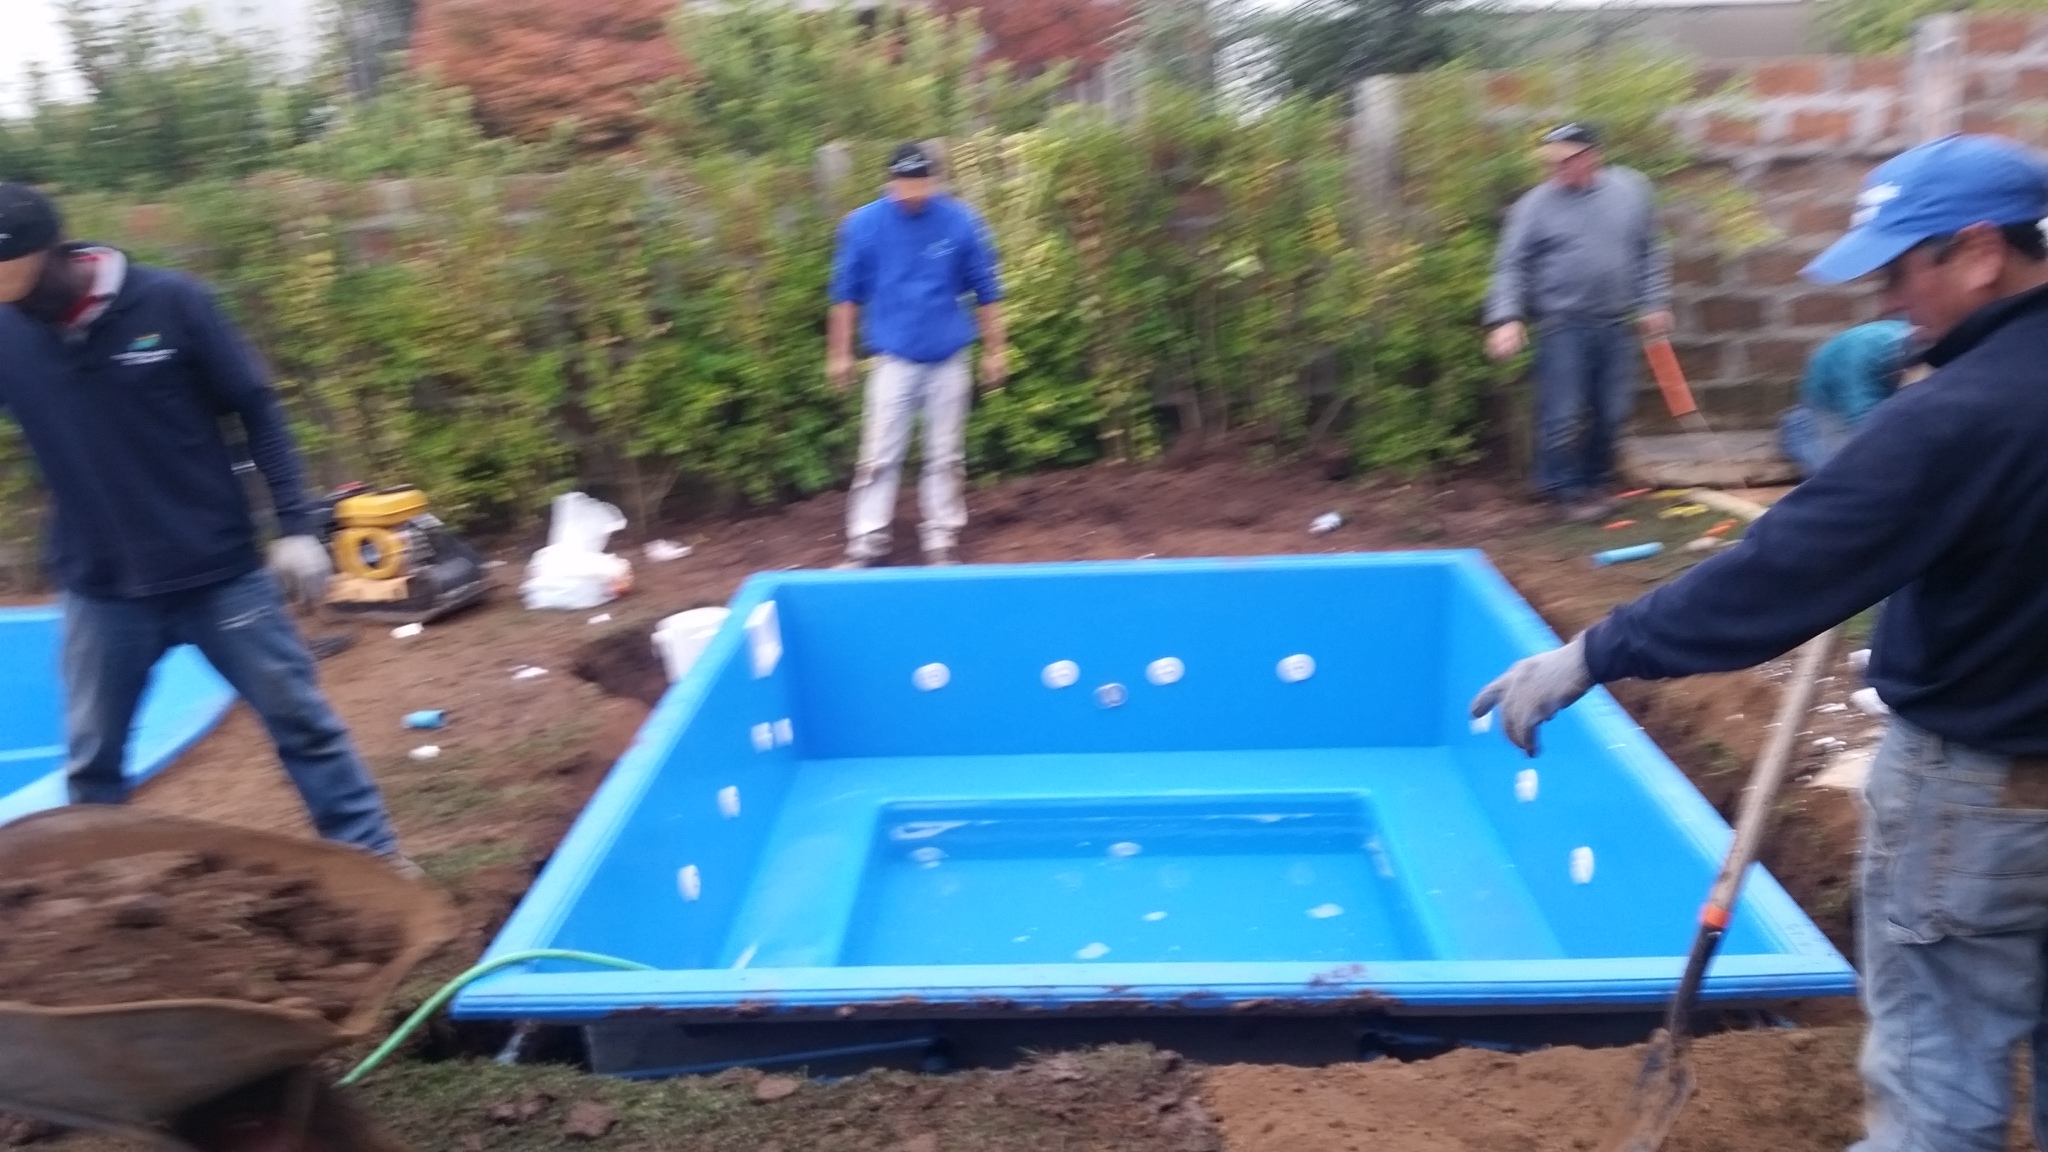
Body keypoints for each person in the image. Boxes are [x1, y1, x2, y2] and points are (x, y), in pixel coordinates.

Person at [1468, 134, 2048, 1151]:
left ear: (1977, 253)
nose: (1884, 301)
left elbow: (1775, 575)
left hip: (1980, 804)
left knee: (1936, 1102)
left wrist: (1591, 653)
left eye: (1896, 271)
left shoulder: (1958, 414)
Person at [0, 183, 409, 868]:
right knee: (94, 763)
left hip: (220, 576)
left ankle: (375, 863)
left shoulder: (171, 303)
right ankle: (96, 892)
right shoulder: (7, 333)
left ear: (46, 253)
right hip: (102, 589)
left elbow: (258, 408)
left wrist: (296, 526)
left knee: (303, 726)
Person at [1482, 123, 1675, 523]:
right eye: (1551, 162)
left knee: (1612, 411)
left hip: (1615, 322)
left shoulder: (1630, 190)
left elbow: (1649, 250)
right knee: (1563, 414)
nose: (1556, 169)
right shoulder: (1535, 206)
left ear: (1591, 156)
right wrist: (1507, 318)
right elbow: (1510, 265)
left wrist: (1653, 302)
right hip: (1562, 325)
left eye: (1565, 161)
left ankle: (1595, 482)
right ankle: (1563, 491)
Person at [827, 142, 1008, 568]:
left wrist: (996, 350)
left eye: (921, 183)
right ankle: (868, 542)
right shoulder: (864, 225)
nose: (913, 192)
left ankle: (941, 538)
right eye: (905, 183)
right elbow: (845, 295)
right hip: (894, 358)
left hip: (948, 357)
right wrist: (840, 354)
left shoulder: (961, 222)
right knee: (878, 454)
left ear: (934, 181)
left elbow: (987, 291)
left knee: (945, 455)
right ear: (890, 182)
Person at [1777, 319, 1914, 477]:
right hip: (1830, 407)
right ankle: (1797, 430)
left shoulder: (1916, 345)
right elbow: (1862, 417)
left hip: (1875, 389)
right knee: (1835, 472)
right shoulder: (1860, 356)